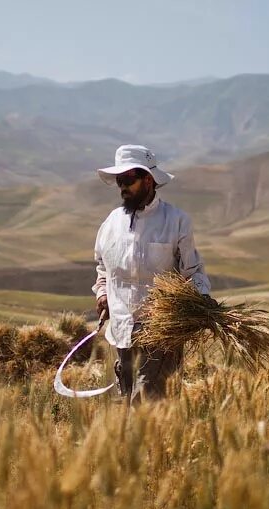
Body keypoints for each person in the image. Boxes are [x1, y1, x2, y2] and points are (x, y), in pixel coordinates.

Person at [92, 144, 215, 406]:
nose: (122, 186)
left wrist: (203, 301)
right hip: (123, 330)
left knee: (148, 403)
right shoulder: (111, 224)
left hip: (161, 331)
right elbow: (102, 268)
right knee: (127, 401)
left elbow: (192, 271)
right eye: (119, 181)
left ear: (148, 179)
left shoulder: (176, 221)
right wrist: (103, 294)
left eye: (128, 180)